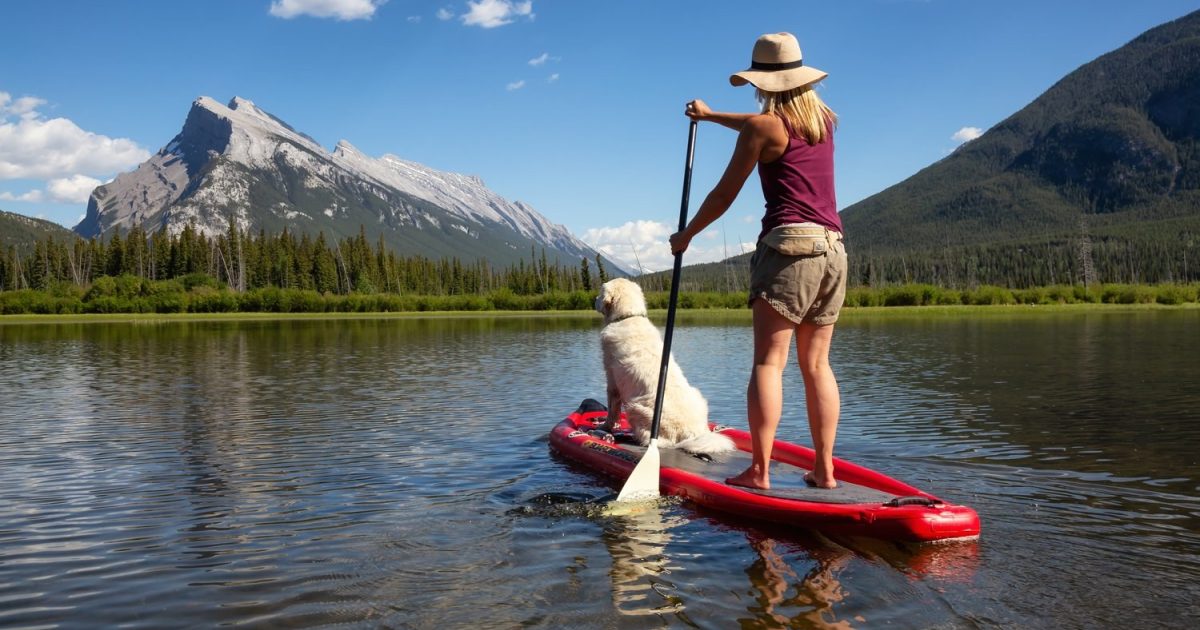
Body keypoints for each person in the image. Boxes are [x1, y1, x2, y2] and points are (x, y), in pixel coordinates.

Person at [669, 32, 846, 490]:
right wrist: (710, 117)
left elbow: (725, 193)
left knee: (769, 364)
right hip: (834, 250)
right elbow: (758, 124)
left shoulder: (764, 127)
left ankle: (760, 472)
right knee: (817, 365)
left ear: (762, 81)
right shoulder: (823, 121)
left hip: (789, 249)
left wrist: (687, 235)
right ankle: (825, 471)